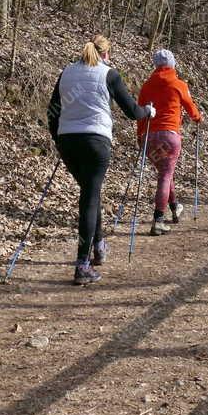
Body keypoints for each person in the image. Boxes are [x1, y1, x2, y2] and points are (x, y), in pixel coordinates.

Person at [48, 35, 155, 285]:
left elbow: (52, 110)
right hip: (96, 142)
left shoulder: (67, 72)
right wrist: (148, 111)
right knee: (89, 198)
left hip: (68, 141)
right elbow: (132, 112)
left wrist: (58, 137)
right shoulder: (109, 74)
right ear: (106, 54)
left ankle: (98, 245)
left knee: (89, 193)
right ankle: (82, 265)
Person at [137, 49, 203, 235]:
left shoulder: (146, 86)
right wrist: (198, 118)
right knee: (166, 174)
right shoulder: (178, 84)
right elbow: (191, 107)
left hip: (150, 137)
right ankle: (158, 219)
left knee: (165, 172)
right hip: (169, 136)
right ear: (172, 64)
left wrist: (139, 136)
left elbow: (140, 114)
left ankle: (174, 207)